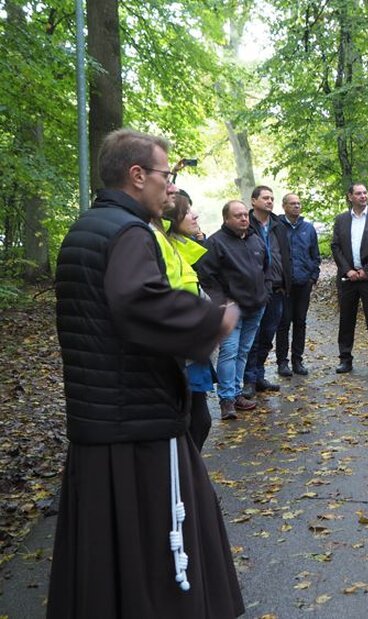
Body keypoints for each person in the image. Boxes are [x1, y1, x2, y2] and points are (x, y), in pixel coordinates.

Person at [50, 128, 244, 617]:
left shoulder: (86, 228)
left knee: (110, 560)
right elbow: (138, 302)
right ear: (137, 176)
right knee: (162, 553)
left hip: (102, 423)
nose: (172, 188)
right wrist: (210, 319)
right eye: (166, 175)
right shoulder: (129, 233)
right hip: (139, 425)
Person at [197, 199, 270, 419]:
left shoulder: (255, 240)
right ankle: (226, 399)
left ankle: (237, 393)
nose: (243, 218)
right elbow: (206, 276)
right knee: (229, 352)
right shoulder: (216, 243)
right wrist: (223, 301)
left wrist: (265, 292)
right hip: (231, 309)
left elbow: (265, 269)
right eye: (237, 215)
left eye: (245, 215)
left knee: (244, 351)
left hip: (256, 306)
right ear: (226, 219)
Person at [162, 191, 218, 449]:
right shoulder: (161, 247)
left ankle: (190, 481)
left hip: (194, 355)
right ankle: (187, 483)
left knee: (200, 422)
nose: (195, 215)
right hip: (180, 355)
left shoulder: (183, 250)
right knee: (193, 424)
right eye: (186, 211)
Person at [331, 182, 368, 374]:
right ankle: (345, 358)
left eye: (365, 192)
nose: (363, 196)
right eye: (358, 193)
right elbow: (336, 246)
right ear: (350, 197)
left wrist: (367, 270)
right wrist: (347, 270)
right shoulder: (341, 220)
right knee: (346, 319)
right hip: (348, 278)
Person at [242, 185, 290, 397]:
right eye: (265, 198)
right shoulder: (245, 224)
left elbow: (285, 253)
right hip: (255, 289)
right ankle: (249, 379)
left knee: (268, 334)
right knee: (253, 336)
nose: (269, 201)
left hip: (277, 288)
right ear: (254, 201)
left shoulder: (278, 224)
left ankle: (259, 374)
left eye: (272, 198)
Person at [275, 192, 321, 376]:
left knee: (300, 322)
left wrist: (313, 277)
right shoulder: (277, 227)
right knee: (283, 323)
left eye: (298, 203)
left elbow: (315, 255)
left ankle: (297, 360)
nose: (296, 206)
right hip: (284, 285)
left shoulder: (308, 228)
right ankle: (282, 362)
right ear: (284, 206)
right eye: (292, 203)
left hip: (304, 283)